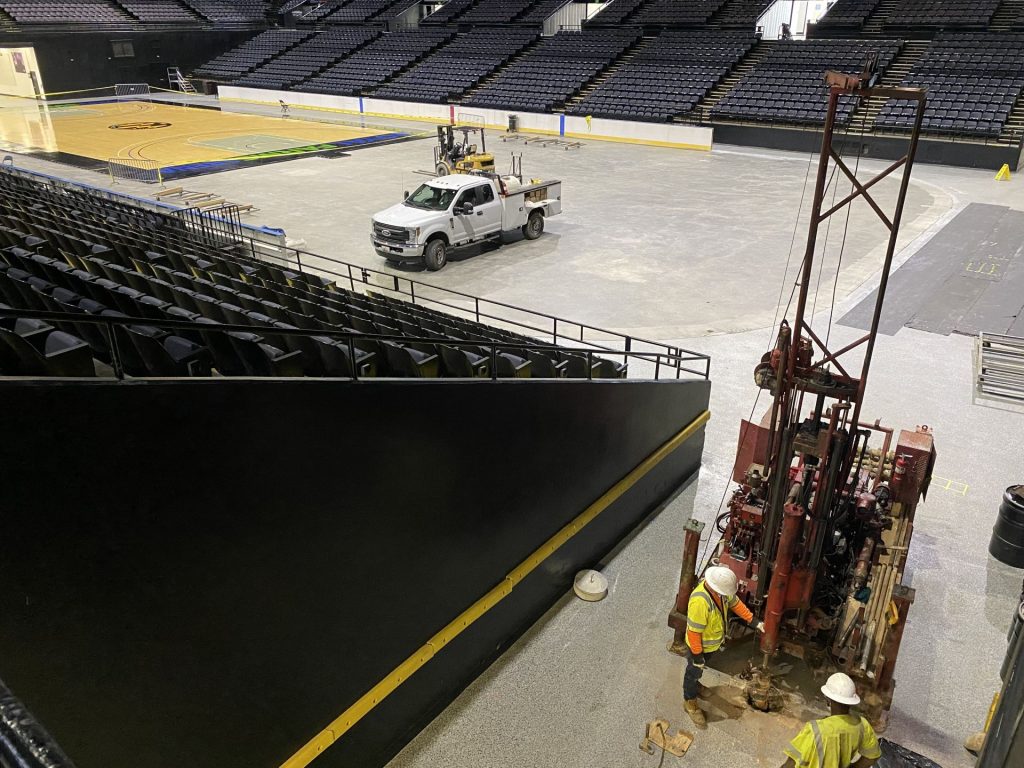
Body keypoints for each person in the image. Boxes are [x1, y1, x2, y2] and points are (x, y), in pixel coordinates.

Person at [683, 565, 763, 726]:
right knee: (692, 673)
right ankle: (690, 703)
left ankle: (696, 685)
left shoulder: (720, 592)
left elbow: (735, 603)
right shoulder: (700, 601)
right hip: (698, 649)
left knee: (697, 673)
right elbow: (694, 633)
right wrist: (697, 657)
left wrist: (754, 621)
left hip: (710, 647)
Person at [781, 673, 882, 768]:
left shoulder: (814, 730)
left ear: (828, 699)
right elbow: (872, 757)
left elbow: (790, 764)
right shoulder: (862, 725)